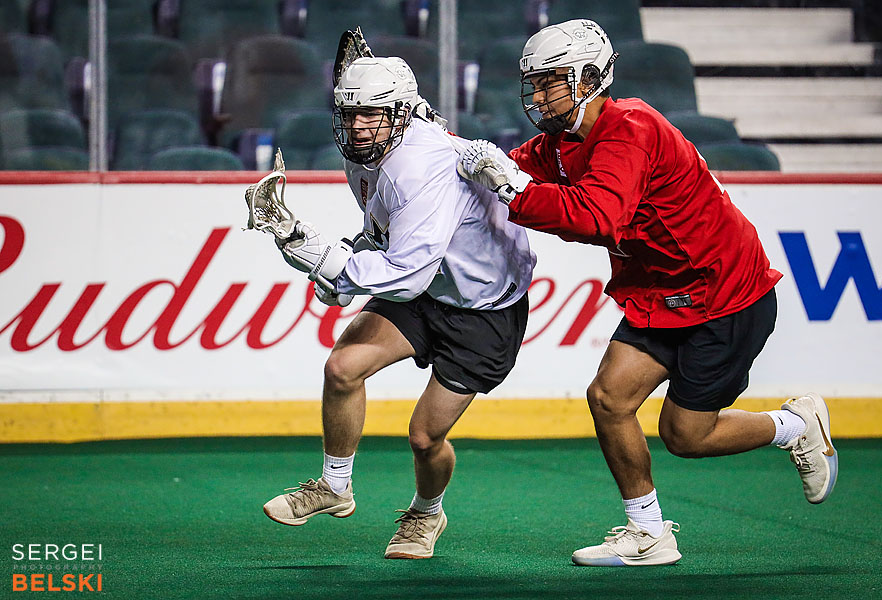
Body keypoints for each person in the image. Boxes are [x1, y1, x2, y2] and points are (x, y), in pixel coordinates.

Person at [455, 19, 837, 567]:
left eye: (550, 81)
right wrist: (439, 143)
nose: (538, 95)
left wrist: (509, 185)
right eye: (534, 83)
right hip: (663, 291)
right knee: (609, 398)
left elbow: (597, 218)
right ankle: (649, 535)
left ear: (590, 78)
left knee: (685, 435)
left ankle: (797, 426)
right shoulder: (564, 141)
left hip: (725, 294)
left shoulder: (631, 127)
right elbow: (511, 168)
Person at [261, 55, 536, 560]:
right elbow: (384, 234)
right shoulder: (366, 155)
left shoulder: (420, 164)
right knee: (342, 368)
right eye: (350, 114)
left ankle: (426, 513)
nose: (359, 127)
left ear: (403, 112)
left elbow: (406, 276)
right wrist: (340, 270)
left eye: (373, 114)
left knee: (424, 437)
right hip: (432, 288)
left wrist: (323, 260)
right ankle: (334, 486)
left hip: (484, 308)